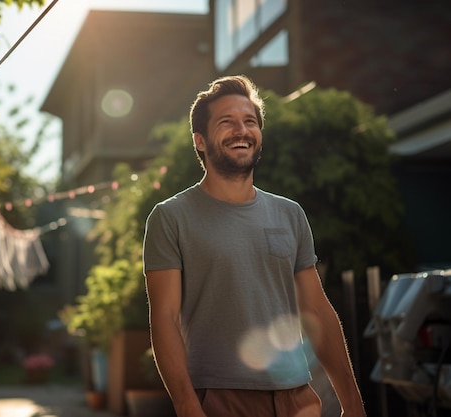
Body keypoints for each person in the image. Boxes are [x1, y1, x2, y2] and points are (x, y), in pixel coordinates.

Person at [142, 75, 367, 417]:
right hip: (221, 398)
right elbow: (164, 318)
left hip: (298, 397)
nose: (242, 130)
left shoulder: (290, 214)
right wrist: (188, 407)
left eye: (250, 121)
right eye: (227, 122)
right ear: (200, 141)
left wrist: (353, 404)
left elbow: (318, 309)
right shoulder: (170, 217)